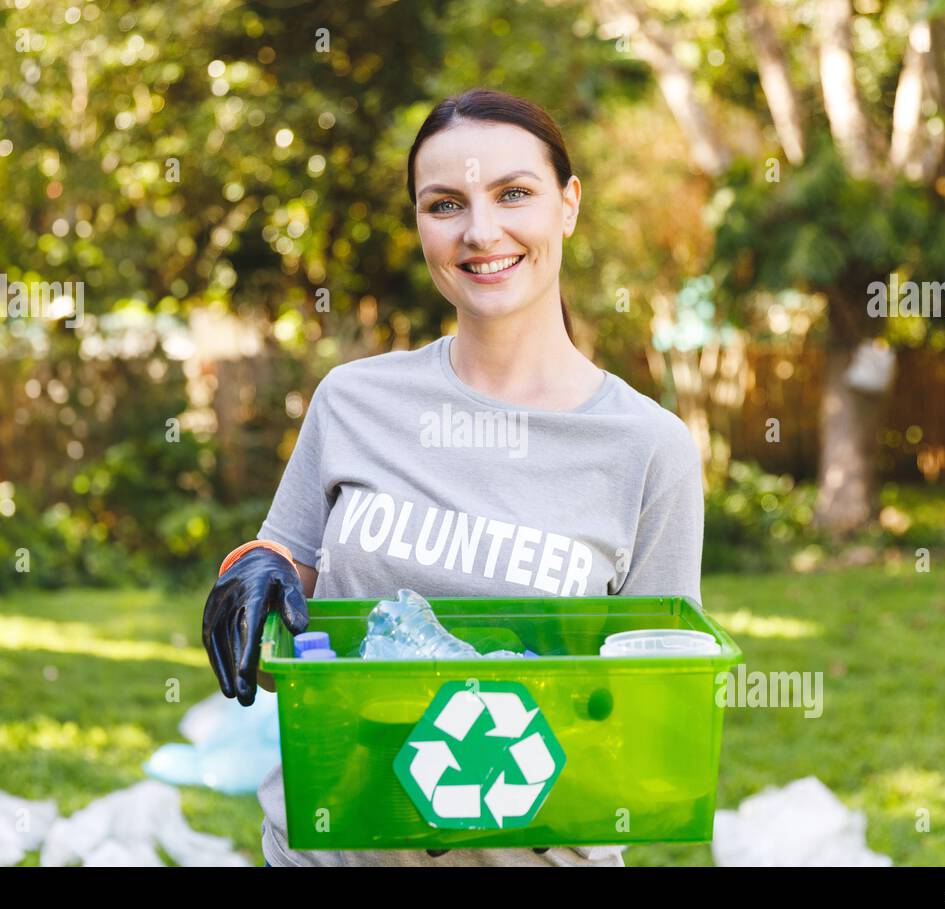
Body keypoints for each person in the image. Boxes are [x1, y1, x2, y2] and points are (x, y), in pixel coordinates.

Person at [201, 88, 704, 866]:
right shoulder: (354, 401)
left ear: (568, 205)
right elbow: (289, 630)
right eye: (445, 204)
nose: (481, 231)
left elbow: (655, 705)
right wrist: (255, 569)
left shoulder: (647, 448)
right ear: (419, 225)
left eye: (514, 194)